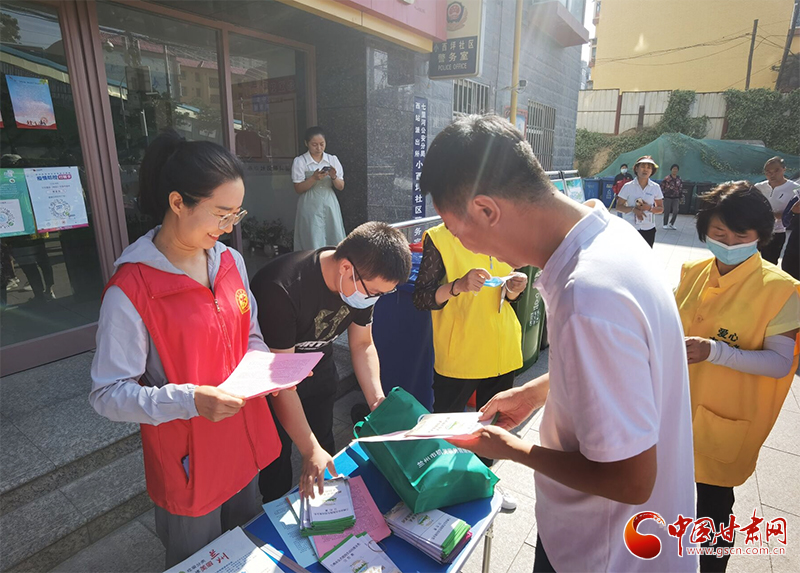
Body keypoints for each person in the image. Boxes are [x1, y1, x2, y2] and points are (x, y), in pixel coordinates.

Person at [421, 115, 696, 572]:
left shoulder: (587, 296)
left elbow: (630, 481)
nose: (461, 241)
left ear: (487, 210)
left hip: (605, 552)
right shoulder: (610, 232)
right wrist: (537, 390)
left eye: (456, 227)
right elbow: (625, 365)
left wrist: (508, 448)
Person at [89, 129, 335, 568]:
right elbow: (107, 394)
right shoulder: (131, 290)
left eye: (235, 215)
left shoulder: (229, 262)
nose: (228, 228)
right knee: (197, 560)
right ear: (177, 202)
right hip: (189, 462)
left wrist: (274, 369)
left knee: (246, 550)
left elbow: (251, 336)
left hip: (243, 445)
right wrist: (190, 399)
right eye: (220, 214)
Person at [674, 182, 799, 572]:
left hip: (724, 420)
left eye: (740, 235)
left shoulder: (781, 290)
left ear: (761, 236)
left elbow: (780, 363)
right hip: (675, 411)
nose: (727, 242)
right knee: (670, 502)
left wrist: (715, 351)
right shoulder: (692, 270)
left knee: (711, 509)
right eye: (718, 233)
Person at [251, 221, 411, 503]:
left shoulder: (362, 282)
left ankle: (323, 510)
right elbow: (281, 379)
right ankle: (273, 513)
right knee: (277, 456)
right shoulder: (282, 287)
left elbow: (362, 344)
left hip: (320, 371)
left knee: (324, 443)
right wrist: (308, 448)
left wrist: (377, 400)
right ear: (346, 268)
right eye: (374, 293)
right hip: (276, 382)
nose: (373, 299)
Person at [412, 223, 527, 510]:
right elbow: (421, 297)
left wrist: (514, 290)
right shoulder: (439, 238)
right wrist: (458, 286)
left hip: (501, 349)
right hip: (459, 352)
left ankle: (485, 485)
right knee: (447, 430)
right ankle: (440, 489)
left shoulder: (505, 231)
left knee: (493, 428)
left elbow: (507, 293)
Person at [292, 126, 346, 251]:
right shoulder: (300, 161)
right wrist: (313, 178)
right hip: (309, 204)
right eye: (314, 144)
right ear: (306, 143)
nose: (319, 148)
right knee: (311, 237)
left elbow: (341, 186)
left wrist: (333, 177)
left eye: (322, 144)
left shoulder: (332, 159)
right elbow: (298, 188)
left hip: (329, 202)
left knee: (333, 235)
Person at [754, 156, 799, 264]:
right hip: (756, 232)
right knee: (750, 264)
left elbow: (794, 212)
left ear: (784, 169)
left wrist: (776, 215)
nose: (772, 174)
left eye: (776, 170)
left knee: (769, 264)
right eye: (768, 172)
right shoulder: (759, 187)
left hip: (777, 233)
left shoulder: (795, 189)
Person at [616, 155, 664, 247]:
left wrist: (649, 208)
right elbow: (619, 207)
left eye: (649, 167)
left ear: (652, 171)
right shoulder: (628, 186)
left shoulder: (655, 187)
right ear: (636, 169)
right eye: (642, 166)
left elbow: (661, 209)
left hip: (648, 228)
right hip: (630, 229)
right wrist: (633, 209)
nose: (645, 170)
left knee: (645, 258)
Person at [661, 163, 683, 230]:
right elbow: (662, 186)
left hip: (676, 198)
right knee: (667, 211)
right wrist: (663, 195)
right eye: (673, 169)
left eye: (676, 169)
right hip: (667, 197)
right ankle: (665, 224)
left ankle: (671, 223)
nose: (675, 170)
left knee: (676, 211)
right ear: (671, 170)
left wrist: (681, 196)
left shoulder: (679, 179)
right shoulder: (667, 178)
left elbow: (681, 187)